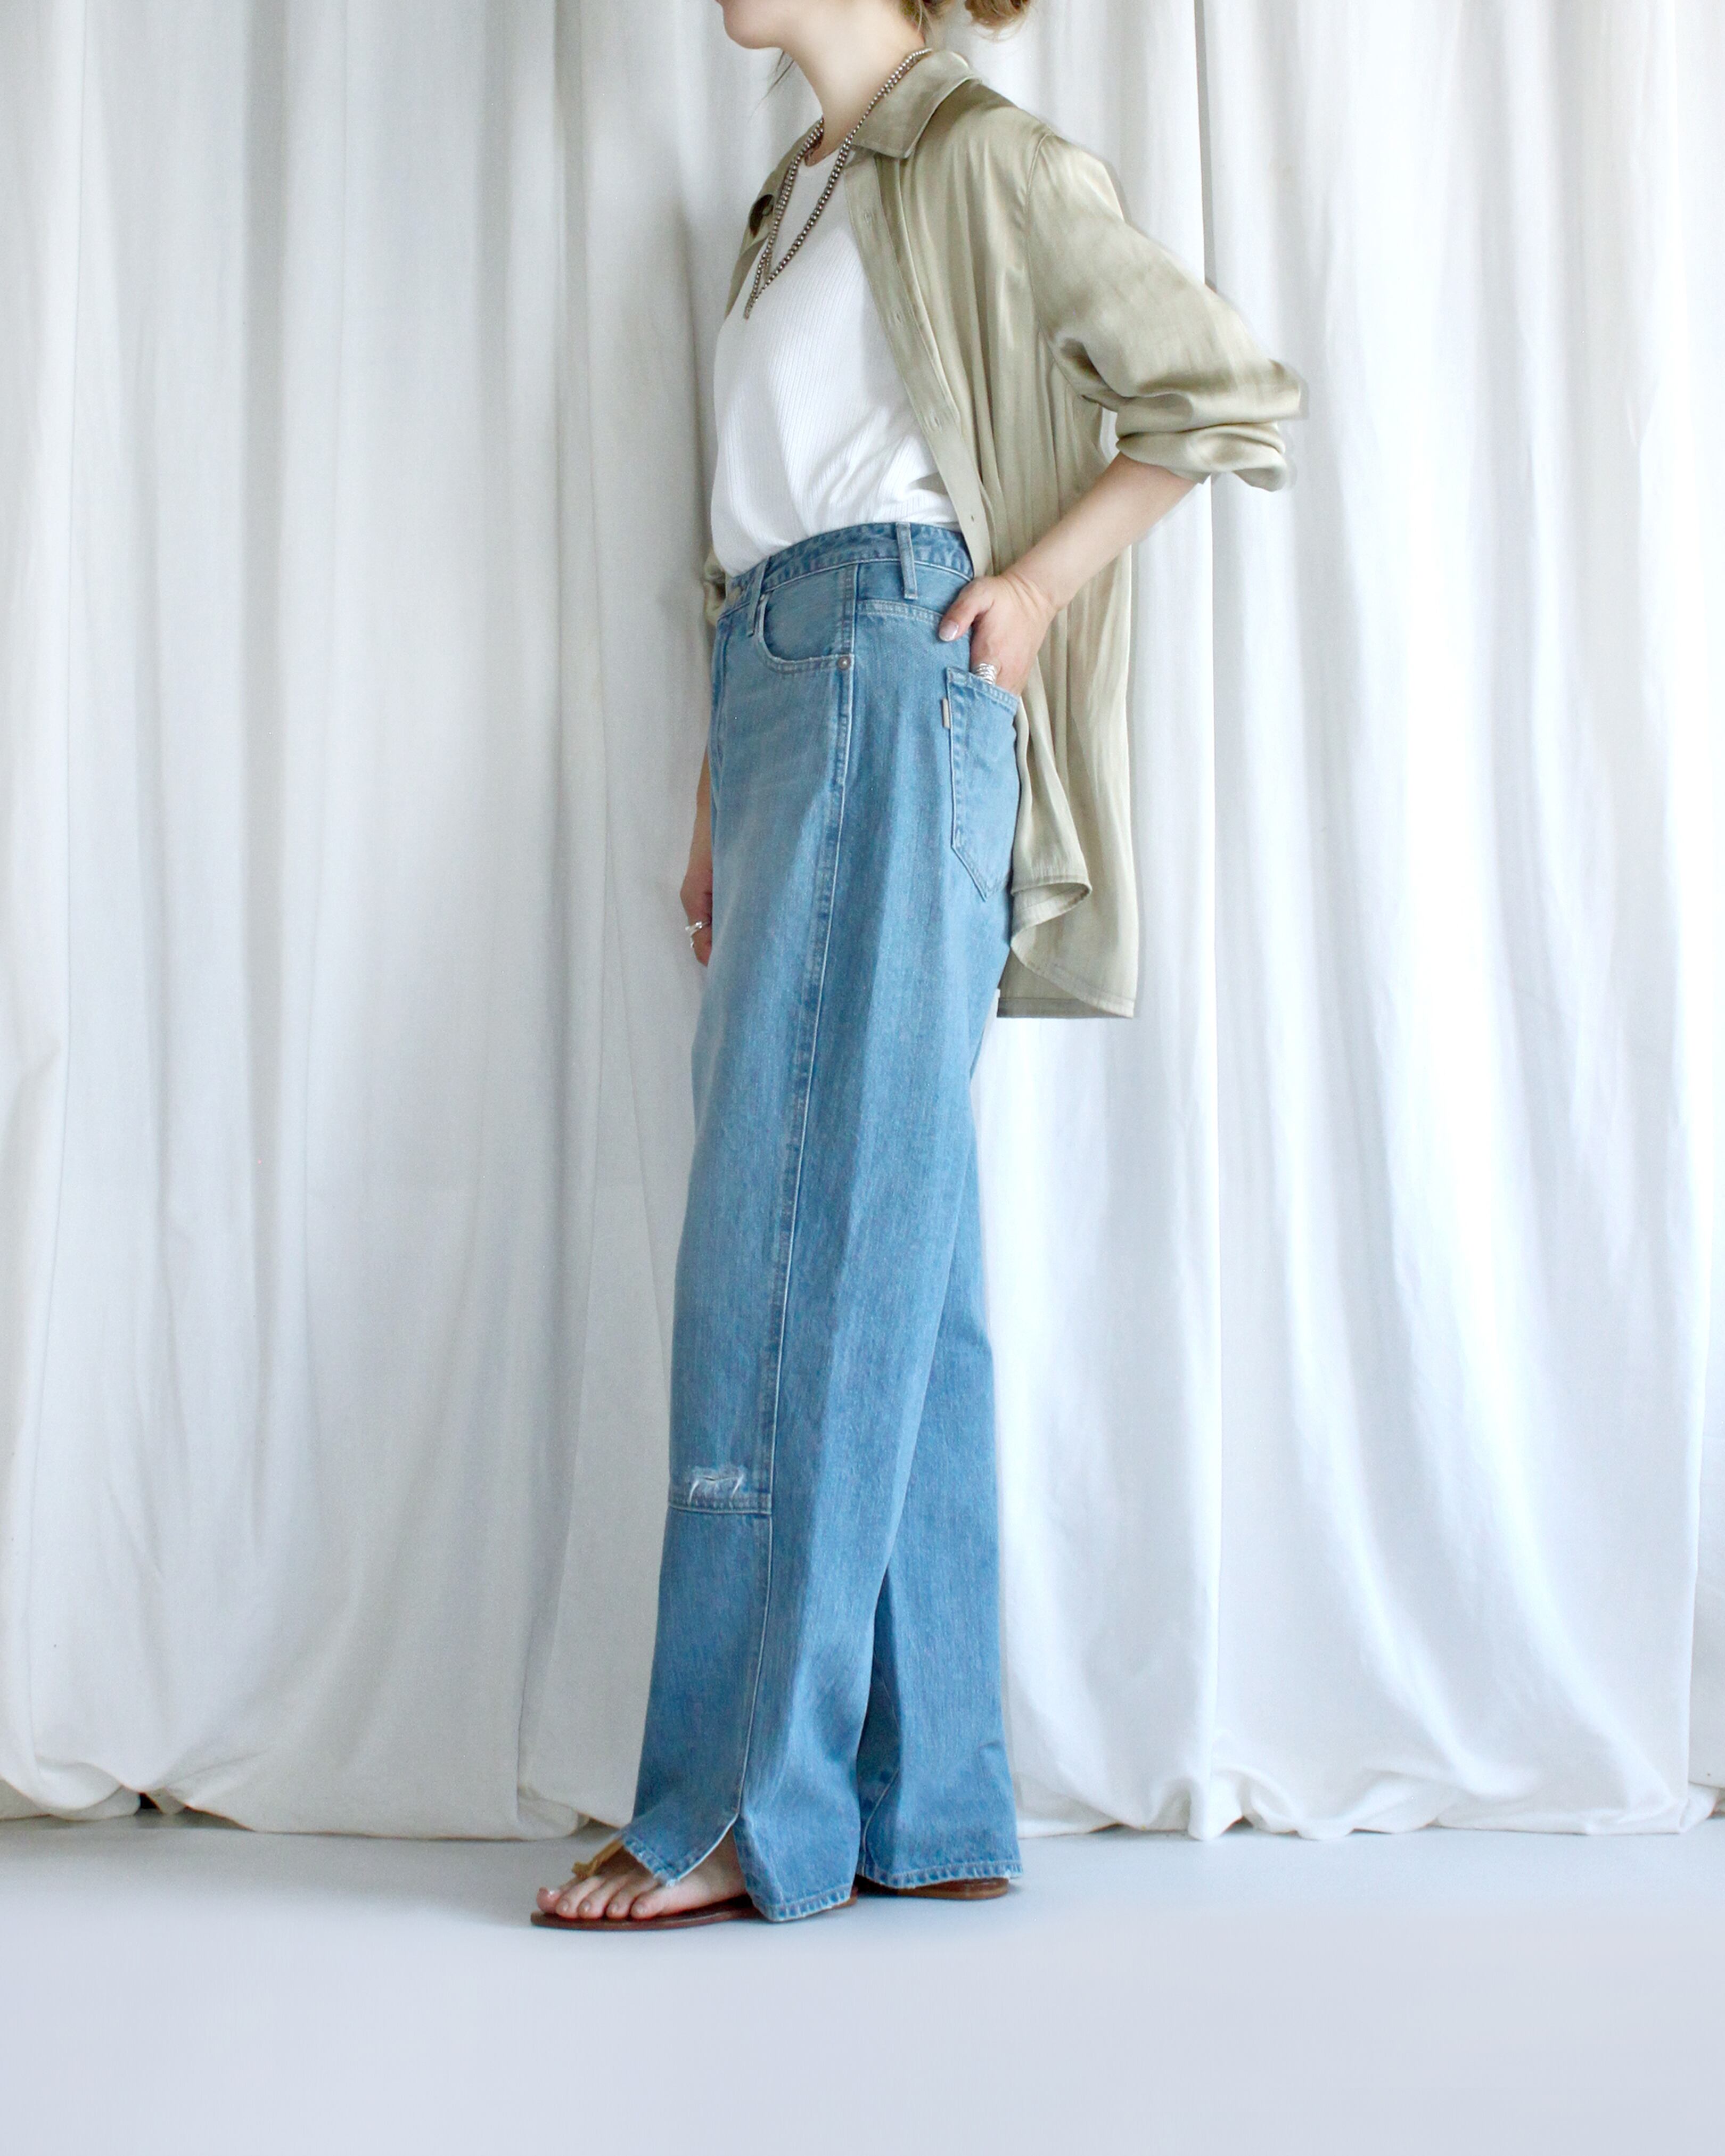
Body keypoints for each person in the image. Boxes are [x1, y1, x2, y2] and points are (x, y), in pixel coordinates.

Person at [536, 0, 1299, 1929]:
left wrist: (1033, 584)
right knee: (897, 1253)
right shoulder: (789, 196)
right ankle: (927, 1792)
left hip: (889, 671)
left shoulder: (976, 155)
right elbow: (756, 525)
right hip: (788, 690)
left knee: (783, 1247)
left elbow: (1218, 391)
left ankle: (737, 1801)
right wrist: (719, 779)